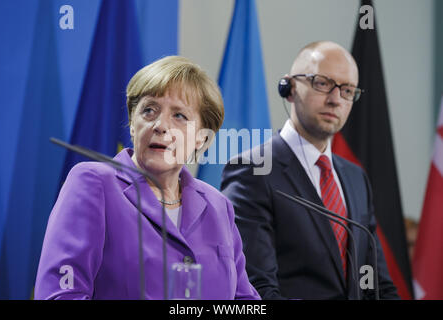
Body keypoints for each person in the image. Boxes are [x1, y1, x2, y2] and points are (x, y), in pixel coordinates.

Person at [34, 56, 260, 300]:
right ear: (133, 125)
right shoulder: (94, 183)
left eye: (179, 116)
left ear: (202, 139)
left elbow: (244, 300)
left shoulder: (218, 206)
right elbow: (60, 294)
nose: (160, 125)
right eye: (149, 111)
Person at [221, 41, 399, 299]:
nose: (335, 99)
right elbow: (257, 291)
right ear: (289, 88)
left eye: (347, 90)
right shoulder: (253, 170)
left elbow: (379, 286)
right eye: (322, 83)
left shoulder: (355, 177)